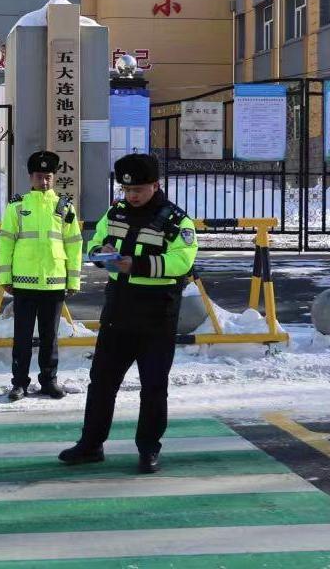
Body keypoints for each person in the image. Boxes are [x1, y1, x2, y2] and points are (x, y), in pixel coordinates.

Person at [59, 153, 197, 473]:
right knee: (101, 382)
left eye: (138, 190)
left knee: (153, 386)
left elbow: (181, 262)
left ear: (155, 186)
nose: (131, 195)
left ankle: (148, 448)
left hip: (157, 313)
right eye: (127, 190)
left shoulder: (177, 221)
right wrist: (101, 253)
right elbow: (94, 245)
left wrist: (136, 265)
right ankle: (91, 445)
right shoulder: (115, 213)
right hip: (119, 310)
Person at [0, 150, 82, 401]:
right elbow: (6, 243)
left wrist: (73, 280)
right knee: (22, 338)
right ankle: (19, 383)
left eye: (48, 177)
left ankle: (49, 381)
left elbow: (74, 244)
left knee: (50, 338)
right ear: (30, 177)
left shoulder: (64, 207)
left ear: (53, 178)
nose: (43, 181)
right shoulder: (17, 206)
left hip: (54, 284)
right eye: (39, 176)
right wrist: (5, 278)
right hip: (24, 284)